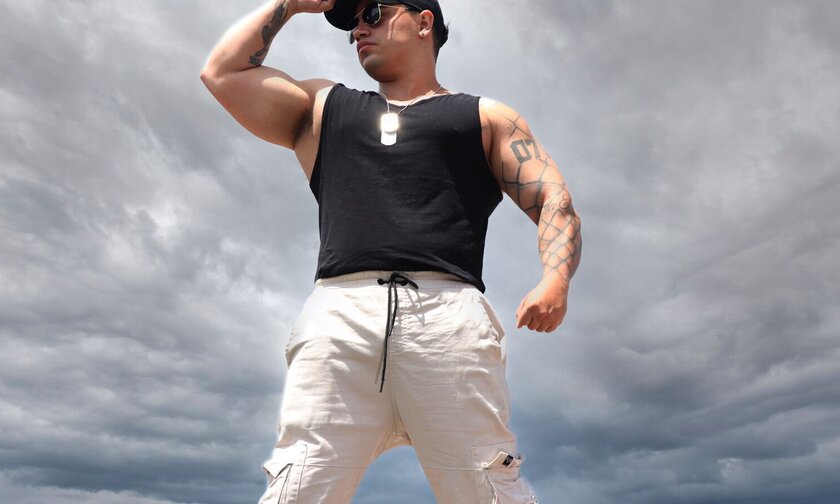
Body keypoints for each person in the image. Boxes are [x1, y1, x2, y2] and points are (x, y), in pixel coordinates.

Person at [200, 0, 582, 502]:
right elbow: (223, 73)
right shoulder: (325, 108)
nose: (359, 29)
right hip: (340, 317)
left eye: (374, 13)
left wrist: (555, 278)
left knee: (488, 489)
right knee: (297, 489)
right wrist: (291, 5)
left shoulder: (485, 117)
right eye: (353, 23)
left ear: (424, 21)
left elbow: (554, 198)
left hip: (447, 319)